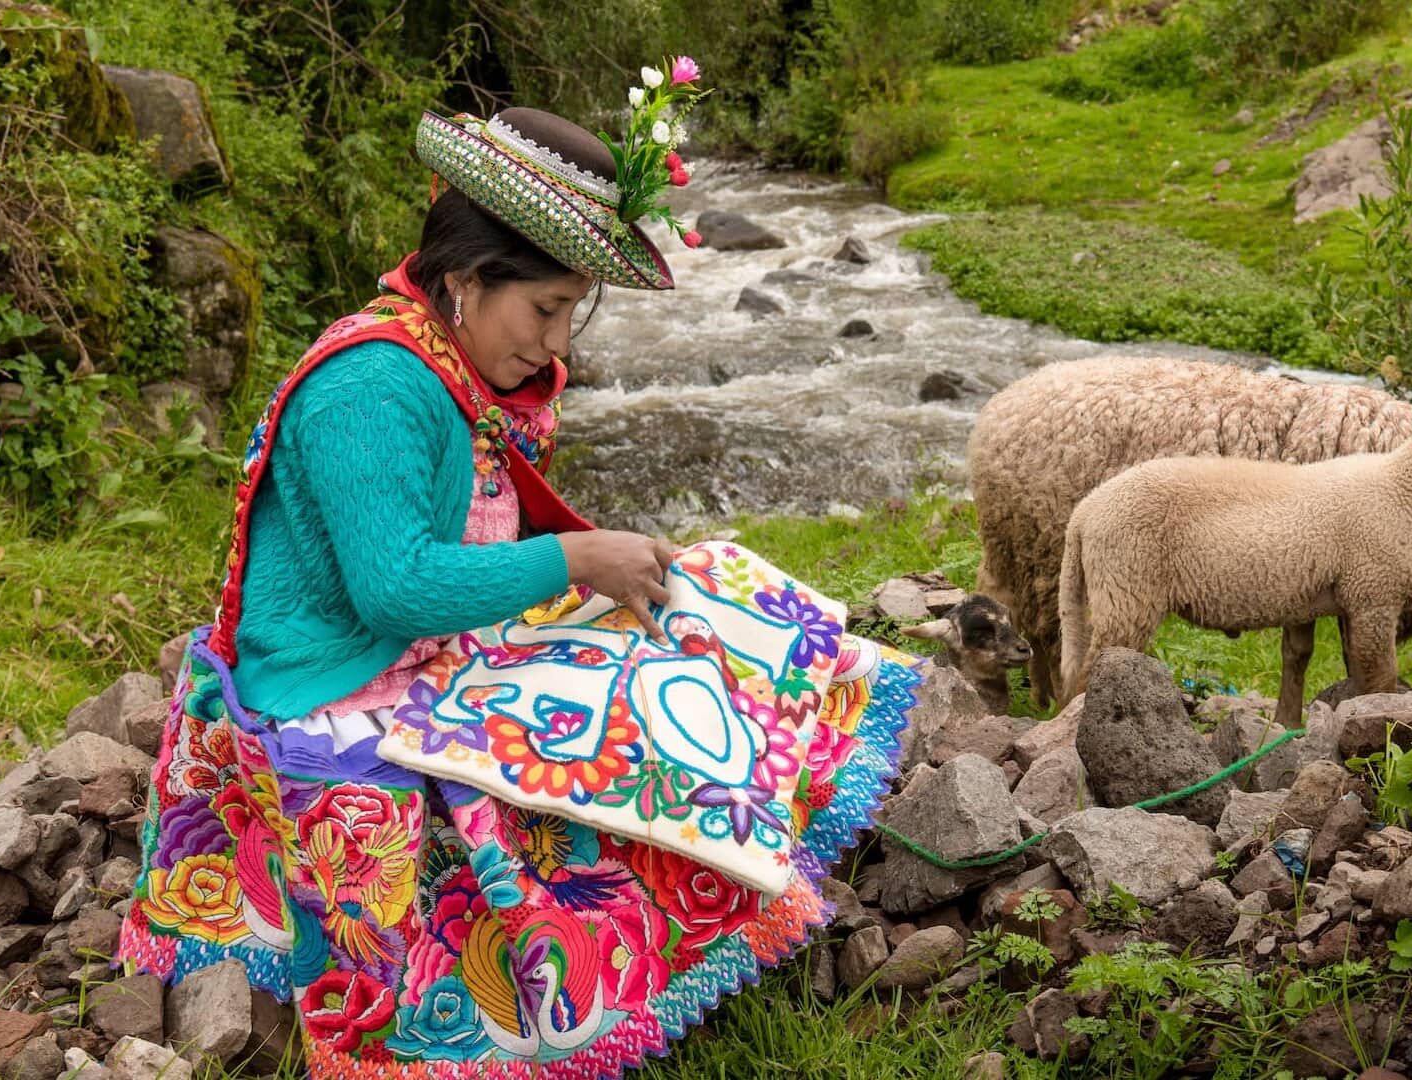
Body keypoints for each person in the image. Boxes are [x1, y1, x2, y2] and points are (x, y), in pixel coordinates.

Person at [119, 76, 921, 1077]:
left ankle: (739, 870)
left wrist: (591, 572)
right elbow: (394, 591)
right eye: (543, 309)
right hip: (337, 678)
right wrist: (577, 558)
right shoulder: (370, 387)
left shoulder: (449, 362)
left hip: (422, 648)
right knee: (639, 705)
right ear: (463, 279)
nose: (551, 344)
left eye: (567, 315)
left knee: (715, 603)